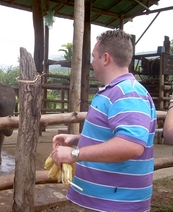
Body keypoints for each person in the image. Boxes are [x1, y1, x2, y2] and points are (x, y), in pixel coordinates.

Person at [51, 30, 157, 212]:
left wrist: (74, 153)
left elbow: (131, 145)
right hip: (101, 201)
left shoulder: (128, 94)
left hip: (115, 205)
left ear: (105, 58)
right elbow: (115, 135)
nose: (92, 62)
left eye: (94, 56)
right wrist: (78, 138)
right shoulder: (113, 91)